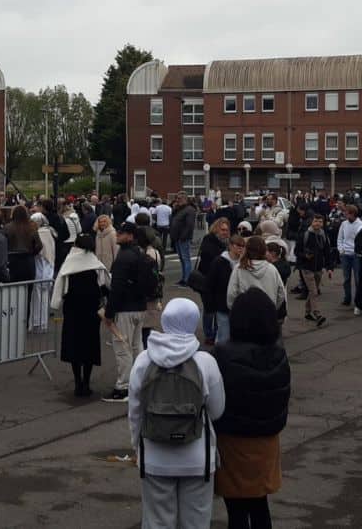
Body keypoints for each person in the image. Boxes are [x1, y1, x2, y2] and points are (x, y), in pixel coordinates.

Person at [129, 298, 225, 529]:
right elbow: (217, 410)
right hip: (197, 457)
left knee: (156, 521)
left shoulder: (144, 360)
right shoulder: (205, 362)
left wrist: (136, 445)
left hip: (154, 456)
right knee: (196, 522)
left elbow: (135, 411)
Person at [213, 288, 290, 528]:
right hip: (267, 440)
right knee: (259, 504)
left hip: (232, 441)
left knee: (235, 509)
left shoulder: (223, 355)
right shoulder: (279, 355)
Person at [52, 233, 108, 397]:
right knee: (89, 345)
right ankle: (86, 382)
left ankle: (77, 382)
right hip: (91, 309)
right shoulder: (96, 263)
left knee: (74, 345)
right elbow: (104, 283)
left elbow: (60, 285)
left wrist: (56, 303)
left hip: (73, 309)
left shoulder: (70, 262)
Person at [103, 223, 148, 402]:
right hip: (140, 306)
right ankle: (139, 381)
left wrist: (109, 312)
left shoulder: (123, 258)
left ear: (129, 236)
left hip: (125, 309)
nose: (117, 235)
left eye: (121, 233)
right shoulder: (139, 253)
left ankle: (123, 387)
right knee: (137, 346)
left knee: (122, 348)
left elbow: (117, 287)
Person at [227, 236, 286, 312]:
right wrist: (273, 308)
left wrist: (235, 310)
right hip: (266, 313)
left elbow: (231, 293)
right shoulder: (272, 269)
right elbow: (281, 293)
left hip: (245, 313)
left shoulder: (239, 268)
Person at [296, 215, 331, 326]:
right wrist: (305, 256)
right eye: (315, 221)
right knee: (314, 292)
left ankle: (307, 312)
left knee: (313, 292)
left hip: (318, 268)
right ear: (311, 222)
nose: (318, 223)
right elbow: (297, 251)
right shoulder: (305, 235)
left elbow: (327, 252)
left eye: (320, 222)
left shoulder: (323, 235)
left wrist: (329, 268)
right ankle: (317, 314)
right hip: (306, 268)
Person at [336, 205, 362, 309]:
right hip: (345, 255)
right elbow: (340, 238)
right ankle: (347, 298)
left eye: (346, 213)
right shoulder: (344, 224)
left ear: (352, 213)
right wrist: (341, 250)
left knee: (357, 279)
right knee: (346, 279)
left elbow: (361, 241)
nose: (344, 214)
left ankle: (358, 299)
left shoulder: (361, 225)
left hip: (356, 255)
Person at [6, 206, 42, 284]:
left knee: (13, 290)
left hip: (12, 261)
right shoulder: (31, 227)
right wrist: (32, 253)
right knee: (28, 289)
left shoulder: (7, 227)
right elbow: (39, 245)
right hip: (28, 261)